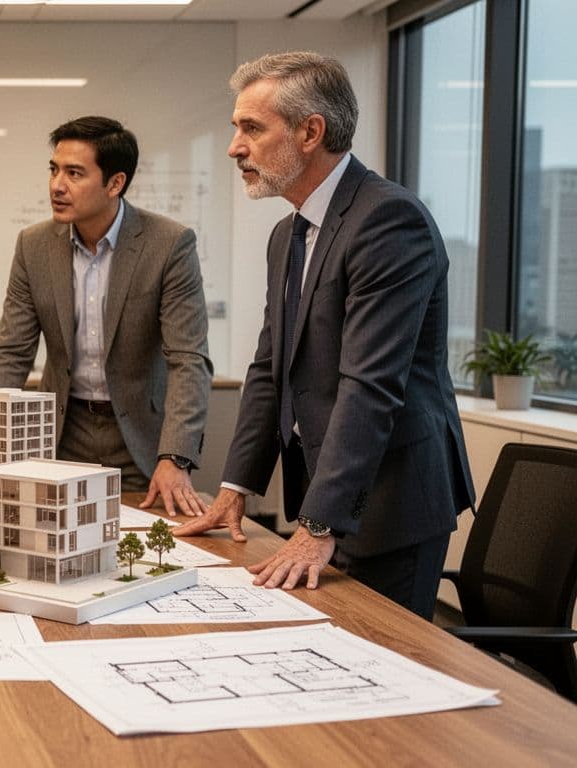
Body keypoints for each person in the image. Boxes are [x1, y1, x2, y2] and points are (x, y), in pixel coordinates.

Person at [175, 52, 474, 620]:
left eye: (252, 128)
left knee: (385, 675)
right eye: (236, 128)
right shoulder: (288, 233)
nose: (235, 147)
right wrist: (235, 489)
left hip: (390, 506)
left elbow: (370, 386)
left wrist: (318, 524)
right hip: (333, 499)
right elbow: (270, 369)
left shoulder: (389, 221)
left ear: (311, 132)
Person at [0, 116, 213, 516]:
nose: (57, 185)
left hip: (141, 441)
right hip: (60, 432)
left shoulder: (169, 244)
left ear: (115, 183)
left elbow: (189, 359)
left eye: (74, 173)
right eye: (54, 170)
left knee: (142, 554)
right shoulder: (33, 246)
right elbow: (11, 353)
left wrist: (175, 457)